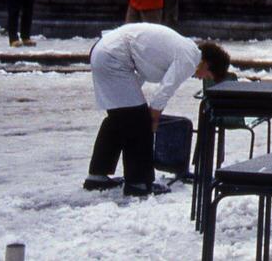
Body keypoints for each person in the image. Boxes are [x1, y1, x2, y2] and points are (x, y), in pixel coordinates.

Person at [83, 23, 231, 197]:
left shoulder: (182, 48)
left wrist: (129, 106)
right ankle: (139, 183)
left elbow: (143, 70)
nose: (201, 78)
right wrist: (150, 122)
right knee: (137, 121)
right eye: (207, 75)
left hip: (105, 51)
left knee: (120, 118)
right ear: (207, 63)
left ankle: (97, 176)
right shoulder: (190, 59)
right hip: (114, 56)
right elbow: (164, 91)